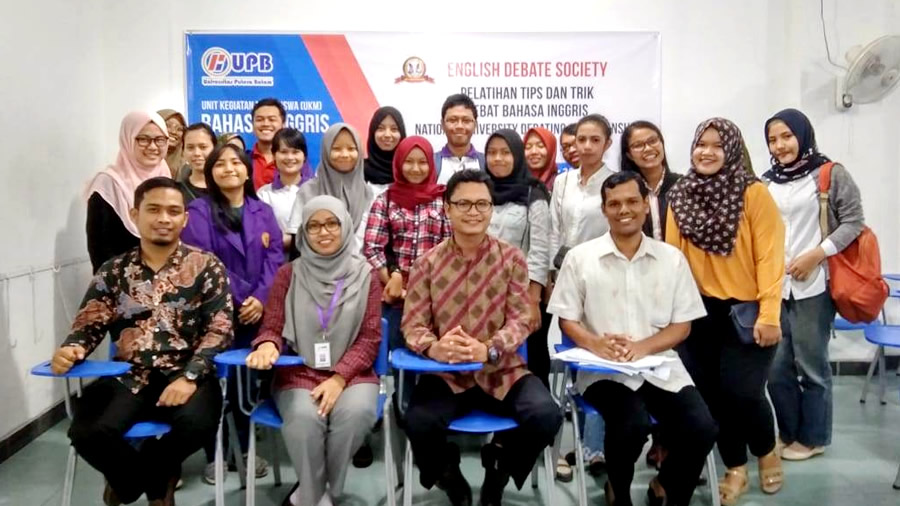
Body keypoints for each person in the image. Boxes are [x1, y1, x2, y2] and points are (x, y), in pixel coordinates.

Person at [56, 177, 232, 506]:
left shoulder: (206, 267)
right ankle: (147, 483)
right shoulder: (114, 271)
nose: (164, 218)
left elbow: (220, 329)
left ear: (184, 219)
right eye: (154, 210)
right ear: (135, 214)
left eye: (173, 211)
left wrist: (190, 376)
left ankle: (140, 477)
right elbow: (89, 323)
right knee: (87, 431)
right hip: (129, 374)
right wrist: (72, 347)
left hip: (186, 372)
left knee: (198, 424)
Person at [549, 171, 717, 506]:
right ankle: (619, 491)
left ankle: (665, 484)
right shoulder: (580, 258)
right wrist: (595, 343)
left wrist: (642, 348)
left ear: (645, 205)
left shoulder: (671, 259)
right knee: (631, 425)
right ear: (604, 209)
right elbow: (567, 319)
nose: (623, 210)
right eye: (614, 204)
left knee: (702, 428)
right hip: (604, 371)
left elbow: (682, 326)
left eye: (631, 201)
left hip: (659, 366)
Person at [401, 169, 562, 506]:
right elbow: (412, 324)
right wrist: (434, 348)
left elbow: (521, 319)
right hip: (447, 374)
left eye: (482, 204)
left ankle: (500, 464)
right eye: (464, 204)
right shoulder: (426, 264)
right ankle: (447, 473)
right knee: (418, 422)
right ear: (447, 208)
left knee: (546, 414)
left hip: (501, 370)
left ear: (491, 208)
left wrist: (489, 348)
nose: (473, 212)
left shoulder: (512, 259)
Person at [666, 118, 785, 505]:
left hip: (747, 312)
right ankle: (736, 466)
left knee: (743, 392)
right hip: (698, 315)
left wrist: (769, 314)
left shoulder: (753, 193)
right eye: (701, 144)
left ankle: (766, 448)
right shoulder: (681, 195)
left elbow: (770, 258)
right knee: (712, 397)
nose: (707, 152)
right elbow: (673, 260)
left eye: (717, 145)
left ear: (732, 149)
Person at [246, 195, 383, 506]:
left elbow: (370, 337)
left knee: (357, 414)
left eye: (332, 223)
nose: (324, 232)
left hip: (353, 373)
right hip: (299, 370)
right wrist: (267, 344)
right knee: (304, 417)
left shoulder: (367, 275)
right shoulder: (288, 274)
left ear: (345, 226)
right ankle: (318, 495)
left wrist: (338, 378)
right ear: (304, 233)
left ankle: (311, 494)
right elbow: (273, 325)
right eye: (314, 226)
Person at [763, 108, 865, 461]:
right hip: (776, 288)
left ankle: (814, 438)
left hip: (815, 287)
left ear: (803, 136)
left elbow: (853, 222)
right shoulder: (766, 182)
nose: (780, 146)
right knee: (776, 369)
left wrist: (817, 254)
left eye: (787, 136)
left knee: (812, 368)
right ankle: (789, 433)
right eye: (773, 140)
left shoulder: (829, 174)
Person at [181, 143, 283, 483]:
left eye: (236, 162)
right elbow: (204, 261)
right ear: (211, 172)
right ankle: (216, 455)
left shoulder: (262, 210)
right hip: (215, 314)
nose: (229, 168)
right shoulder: (198, 210)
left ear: (246, 169)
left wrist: (261, 298)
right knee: (214, 387)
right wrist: (241, 298)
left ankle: (245, 450)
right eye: (220, 164)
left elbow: (276, 259)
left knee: (247, 386)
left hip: (256, 317)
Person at [549, 114, 617, 474]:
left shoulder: (615, 183)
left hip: (605, 280)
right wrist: (552, 276)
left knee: (600, 361)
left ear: (607, 144)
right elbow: (554, 230)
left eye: (595, 140)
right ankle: (571, 446)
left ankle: (596, 449)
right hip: (567, 279)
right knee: (573, 359)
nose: (586, 146)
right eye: (581, 139)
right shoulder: (562, 181)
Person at [484, 130, 551, 387]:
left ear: (517, 156)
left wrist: (533, 300)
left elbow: (540, 250)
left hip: (522, 295)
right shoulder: (480, 190)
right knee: (492, 359)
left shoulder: (534, 193)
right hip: (484, 294)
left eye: (505, 152)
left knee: (531, 361)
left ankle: (536, 405)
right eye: (492, 153)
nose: (498, 158)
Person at [85, 111, 171, 273]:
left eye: (159, 139)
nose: (153, 146)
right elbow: (100, 251)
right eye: (143, 139)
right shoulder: (108, 184)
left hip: (166, 281)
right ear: (128, 139)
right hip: (121, 280)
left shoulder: (165, 175)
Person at [287, 123, 374, 246]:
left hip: (358, 258)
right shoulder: (308, 191)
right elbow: (297, 239)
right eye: (336, 149)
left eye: (351, 148)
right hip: (313, 258)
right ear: (326, 151)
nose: (345, 154)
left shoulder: (367, 193)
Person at [620, 121, 681, 241]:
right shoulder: (625, 191)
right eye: (638, 145)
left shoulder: (682, 186)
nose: (648, 148)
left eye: (653, 141)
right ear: (629, 155)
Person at [257, 128, 311, 250]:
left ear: (304, 156)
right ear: (274, 155)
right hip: (274, 258)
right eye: (283, 152)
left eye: (295, 152)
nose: (290, 157)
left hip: (310, 259)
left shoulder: (316, 190)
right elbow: (260, 235)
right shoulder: (263, 194)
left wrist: (289, 240)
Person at [435, 94, 485, 184]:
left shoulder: (486, 164)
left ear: (475, 125)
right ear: (442, 124)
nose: (459, 126)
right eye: (452, 120)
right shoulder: (432, 163)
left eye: (466, 121)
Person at [363, 106, 407, 196]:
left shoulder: (409, 171)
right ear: (373, 132)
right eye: (381, 128)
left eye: (394, 129)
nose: (387, 134)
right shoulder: (359, 172)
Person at [178, 122, 216, 203]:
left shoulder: (227, 188)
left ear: (215, 148)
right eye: (190, 148)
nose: (196, 153)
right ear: (183, 151)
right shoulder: (177, 191)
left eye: (203, 147)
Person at [523, 126, 559, 190]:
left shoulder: (562, 184)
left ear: (551, 149)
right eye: (528, 147)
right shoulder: (516, 184)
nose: (533, 152)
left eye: (540, 146)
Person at [158, 109, 187, 179]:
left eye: (179, 129)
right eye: (168, 126)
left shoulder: (188, 166)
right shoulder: (139, 161)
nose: (174, 132)